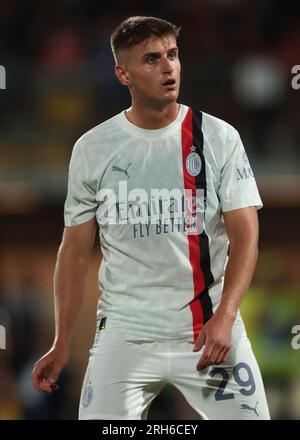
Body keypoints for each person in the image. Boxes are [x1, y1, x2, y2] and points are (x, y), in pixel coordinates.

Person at [32, 16, 270, 420]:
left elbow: (246, 236)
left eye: (173, 55)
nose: (168, 67)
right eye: (151, 59)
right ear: (122, 73)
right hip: (125, 336)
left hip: (208, 332)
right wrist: (62, 341)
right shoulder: (93, 148)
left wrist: (227, 316)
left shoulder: (218, 137)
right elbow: (73, 252)